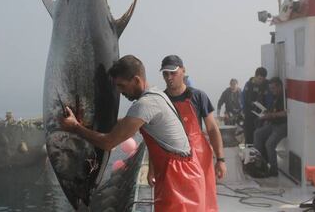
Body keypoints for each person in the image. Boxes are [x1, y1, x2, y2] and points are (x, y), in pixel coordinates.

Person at [60, 55, 207, 211]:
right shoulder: (156, 95)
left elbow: (109, 143)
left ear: (137, 80)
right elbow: (128, 123)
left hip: (179, 177)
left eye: (122, 86)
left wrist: (75, 127)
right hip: (181, 172)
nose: (119, 91)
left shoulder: (145, 104)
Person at [153, 55, 226, 212]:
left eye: (173, 72)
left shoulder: (198, 96)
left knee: (204, 199)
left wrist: (220, 159)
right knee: (174, 202)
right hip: (172, 158)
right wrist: (153, 168)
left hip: (200, 156)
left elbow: (212, 129)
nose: (169, 77)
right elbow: (156, 138)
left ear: (183, 71)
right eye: (165, 73)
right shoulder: (161, 100)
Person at [253, 77, 287, 177]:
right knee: (257, 133)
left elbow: (286, 113)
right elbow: (273, 110)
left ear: (280, 87)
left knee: (269, 144)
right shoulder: (275, 97)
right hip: (273, 124)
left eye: (273, 88)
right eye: (270, 88)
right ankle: (259, 163)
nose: (271, 91)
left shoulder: (284, 97)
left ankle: (273, 170)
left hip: (282, 125)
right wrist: (266, 113)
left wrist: (271, 115)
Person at [243, 67, 271, 145]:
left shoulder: (267, 85)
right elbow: (243, 98)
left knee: (259, 136)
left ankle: (259, 153)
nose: (260, 81)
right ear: (255, 76)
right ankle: (249, 152)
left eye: (262, 79)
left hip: (261, 116)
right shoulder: (248, 84)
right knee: (248, 135)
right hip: (249, 114)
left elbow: (269, 99)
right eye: (259, 78)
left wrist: (267, 111)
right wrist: (244, 111)